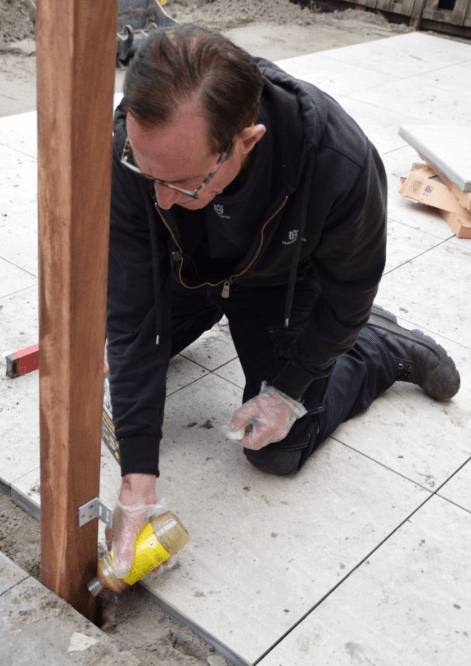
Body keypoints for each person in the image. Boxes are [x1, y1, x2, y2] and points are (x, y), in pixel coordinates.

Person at [105, 24, 460, 575]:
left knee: (277, 450)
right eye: (146, 174)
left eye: (185, 183)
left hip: (276, 284)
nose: (162, 200)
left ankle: (379, 349)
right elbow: (132, 313)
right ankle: (216, 307)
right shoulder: (136, 147)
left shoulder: (336, 160)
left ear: (246, 141)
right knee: (127, 366)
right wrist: (136, 483)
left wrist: (290, 391)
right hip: (188, 273)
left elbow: (350, 290)